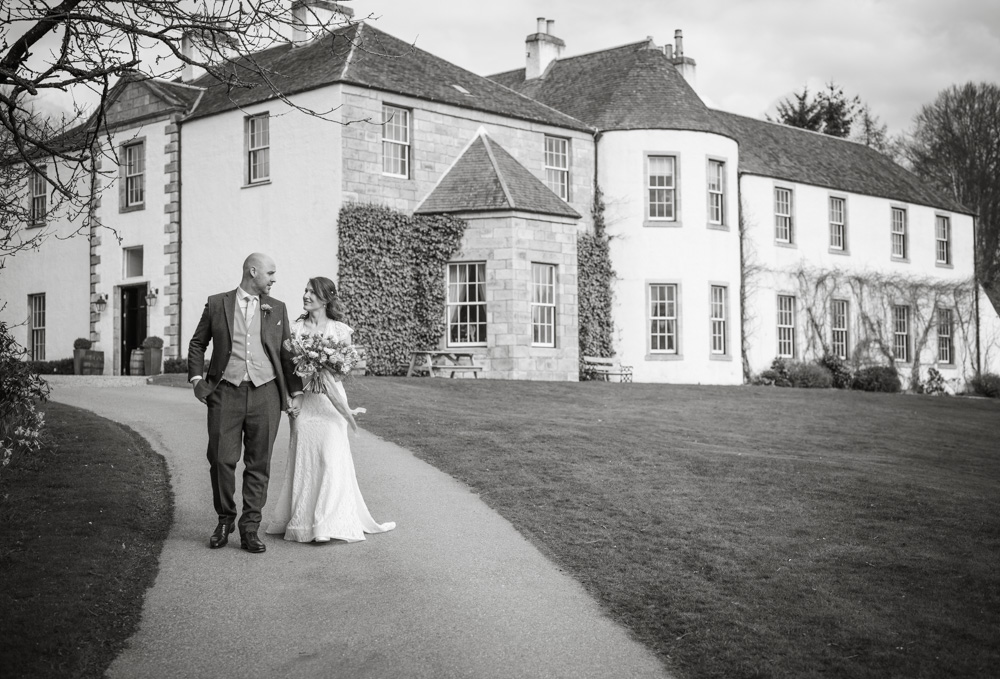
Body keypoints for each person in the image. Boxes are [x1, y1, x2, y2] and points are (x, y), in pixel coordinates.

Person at [187, 253, 303, 554]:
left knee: (259, 463)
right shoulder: (217, 303)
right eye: (271, 273)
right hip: (226, 392)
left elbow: (286, 351)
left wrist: (294, 391)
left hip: (266, 393)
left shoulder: (277, 308)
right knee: (221, 460)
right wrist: (197, 380)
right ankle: (224, 519)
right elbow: (198, 342)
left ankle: (250, 528)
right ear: (253, 272)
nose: (274, 279)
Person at [266, 277, 395, 543]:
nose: (306, 295)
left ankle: (326, 523)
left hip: (330, 403)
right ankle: (304, 521)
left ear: (325, 299)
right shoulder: (296, 329)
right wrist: (304, 376)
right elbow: (289, 367)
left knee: (330, 458)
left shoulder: (339, 329)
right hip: (306, 402)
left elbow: (345, 367)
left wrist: (327, 366)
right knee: (306, 459)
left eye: (312, 292)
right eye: (305, 290)